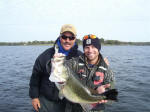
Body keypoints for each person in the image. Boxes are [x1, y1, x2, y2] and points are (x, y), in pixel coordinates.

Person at [53, 34, 116, 112]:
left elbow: (112, 96)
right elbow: (56, 68)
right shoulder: (74, 63)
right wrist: (56, 60)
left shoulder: (106, 68)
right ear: (83, 49)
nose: (90, 50)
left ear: (99, 48)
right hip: (73, 109)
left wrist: (105, 93)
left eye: (93, 47)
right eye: (87, 47)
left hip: (96, 109)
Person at [29, 24, 83, 112]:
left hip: (68, 103)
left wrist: (100, 62)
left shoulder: (80, 56)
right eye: (64, 37)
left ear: (75, 39)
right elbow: (35, 77)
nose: (67, 40)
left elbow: (90, 71)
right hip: (47, 101)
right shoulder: (46, 55)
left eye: (71, 38)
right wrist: (34, 97)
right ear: (60, 37)